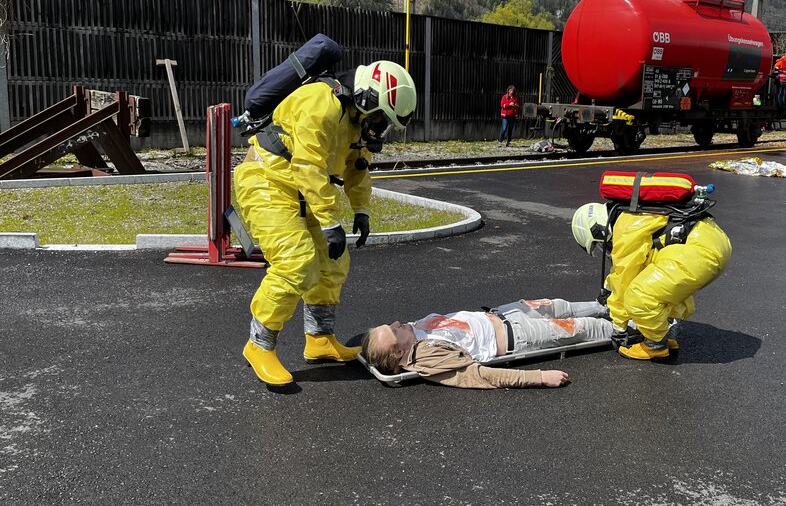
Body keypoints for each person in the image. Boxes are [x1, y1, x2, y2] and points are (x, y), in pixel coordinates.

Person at [235, 59, 417, 386]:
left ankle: (319, 339)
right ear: (367, 99)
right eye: (379, 118)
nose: (378, 127)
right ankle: (259, 344)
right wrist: (331, 223)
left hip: (301, 190)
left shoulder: (353, 119)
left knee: (333, 262)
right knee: (296, 262)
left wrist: (361, 210)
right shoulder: (320, 103)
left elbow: (357, 166)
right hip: (266, 182)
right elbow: (307, 165)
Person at [571, 179, 732, 361]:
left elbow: (624, 276)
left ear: (597, 229)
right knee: (658, 288)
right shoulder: (633, 215)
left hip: (701, 252)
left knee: (639, 295)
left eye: (601, 244)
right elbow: (635, 267)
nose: (607, 248)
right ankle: (666, 335)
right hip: (713, 244)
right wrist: (609, 289)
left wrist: (619, 326)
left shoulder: (625, 227)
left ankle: (655, 345)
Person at [362, 298, 614, 388]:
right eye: (394, 330)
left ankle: (616, 304)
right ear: (398, 352)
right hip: (519, 335)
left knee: (562, 306)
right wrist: (539, 377)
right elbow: (480, 375)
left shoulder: (410, 332)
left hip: (505, 313)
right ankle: (636, 329)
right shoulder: (426, 358)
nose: (397, 323)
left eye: (390, 324)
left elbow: (369, 354)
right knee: (589, 328)